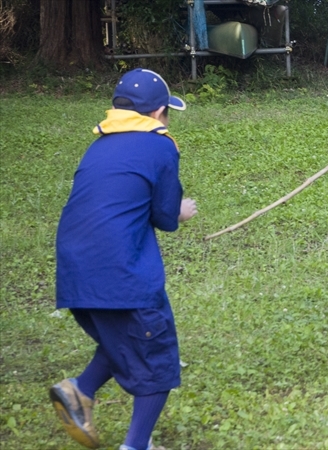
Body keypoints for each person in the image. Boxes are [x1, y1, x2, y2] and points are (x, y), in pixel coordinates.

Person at [49, 68, 197, 450]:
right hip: (120, 270)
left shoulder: (99, 145)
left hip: (74, 270)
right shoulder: (161, 145)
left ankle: (78, 391)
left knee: (123, 341)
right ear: (159, 112)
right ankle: (135, 445)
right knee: (158, 364)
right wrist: (180, 210)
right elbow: (164, 216)